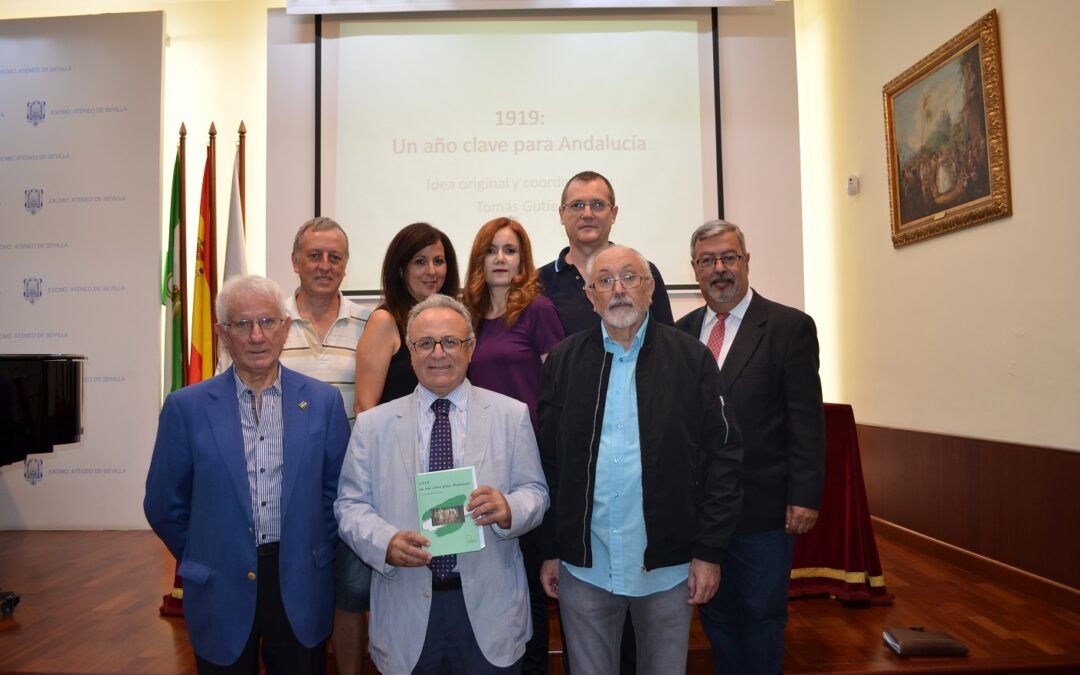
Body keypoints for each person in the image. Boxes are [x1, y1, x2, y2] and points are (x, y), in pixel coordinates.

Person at [537, 246, 743, 675]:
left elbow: (722, 459)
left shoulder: (691, 359)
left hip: (668, 567)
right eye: (605, 281)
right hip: (585, 566)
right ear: (591, 296)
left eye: (630, 277)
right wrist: (552, 550)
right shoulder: (563, 362)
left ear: (650, 289)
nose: (618, 290)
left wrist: (708, 553)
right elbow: (550, 465)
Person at [145, 275, 349, 674]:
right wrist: (206, 550)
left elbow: (337, 494)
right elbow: (164, 502)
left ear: (285, 328)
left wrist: (312, 544)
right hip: (219, 583)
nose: (257, 335)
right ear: (222, 333)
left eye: (268, 322)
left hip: (300, 578)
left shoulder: (323, 402)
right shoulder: (186, 408)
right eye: (242, 324)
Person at [335, 294, 549, 674]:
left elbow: (536, 492)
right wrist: (384, 543)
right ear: (411, 351)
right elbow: (349, 506)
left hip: (490, 612)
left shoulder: (510, 415)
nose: (438, 353)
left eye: (450, 341)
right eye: (424, 343)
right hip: (406, 611)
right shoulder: (373, 426)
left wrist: (509, 509)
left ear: (471, 349)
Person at [675, 220, 825, 675]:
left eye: (728, 258)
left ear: (745, 261)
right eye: (707, 261)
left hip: (763, 509)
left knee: (761, 618)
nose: (719, 269)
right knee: (717, 618)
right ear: (695, 269)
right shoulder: (680, 333)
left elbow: (806, 418)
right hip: (701, 512)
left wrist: (804, 495)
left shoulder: (788, 327)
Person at [462, 217, 565, 673]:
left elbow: (559, 386)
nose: (500, 259)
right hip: (479, 461)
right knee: (488, 574)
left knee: (528, 576)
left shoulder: (537, 310)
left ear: (523, 260)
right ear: (479, 259)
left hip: (529, 461)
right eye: (492, 250)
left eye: (510, 250)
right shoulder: (464, 314)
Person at [280, 217, 371, 675]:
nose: (324, 265)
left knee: (351, 592)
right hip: (285, 484)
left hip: (352, 482)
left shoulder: (368, 323)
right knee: (294, 592)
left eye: (335, 257)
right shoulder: (267, 321)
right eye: (314, 255)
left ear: (346, 265)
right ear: (295, 261)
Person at [538, 171, 674, 336]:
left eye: (597, 205)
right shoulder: (539, 281)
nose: (587, 214)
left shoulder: (643, 272)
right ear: (562, 214)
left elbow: (667, 342)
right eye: (577, 205)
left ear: (613, 213)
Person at [354, 222, 460, 413]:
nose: (432, 271)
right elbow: (364, 406)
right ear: (401, 270)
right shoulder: (384, 321)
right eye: (420, 261)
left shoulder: (455, 320)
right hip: (397, 440)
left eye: (438, 261)